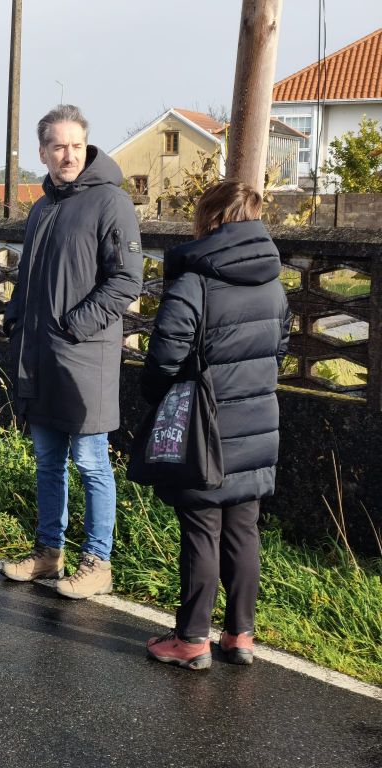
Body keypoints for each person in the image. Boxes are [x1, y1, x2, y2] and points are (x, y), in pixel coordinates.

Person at [143, 180, 289, 670]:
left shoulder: (195, 280)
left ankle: (191, 639)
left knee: (202, 530)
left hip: (204, 426)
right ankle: (240, 635)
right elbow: (280, 350)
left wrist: (159, 394)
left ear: (209, 219)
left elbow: (165, 355)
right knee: (244, 529)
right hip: (258, 420)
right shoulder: (273, 281)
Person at [0, 105, 143, 598]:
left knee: (90, 461)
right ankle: (48, 553)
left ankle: (98, 563)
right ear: (42, 152)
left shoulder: (111, 202)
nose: (69, 155)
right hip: (40, 357)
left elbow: (126, 281)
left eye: (76, 146)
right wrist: (15, 314)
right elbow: (28, 276)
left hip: (86, 357)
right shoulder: (42, 206)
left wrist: (73, 326)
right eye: (59, 147)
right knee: (47, 459)